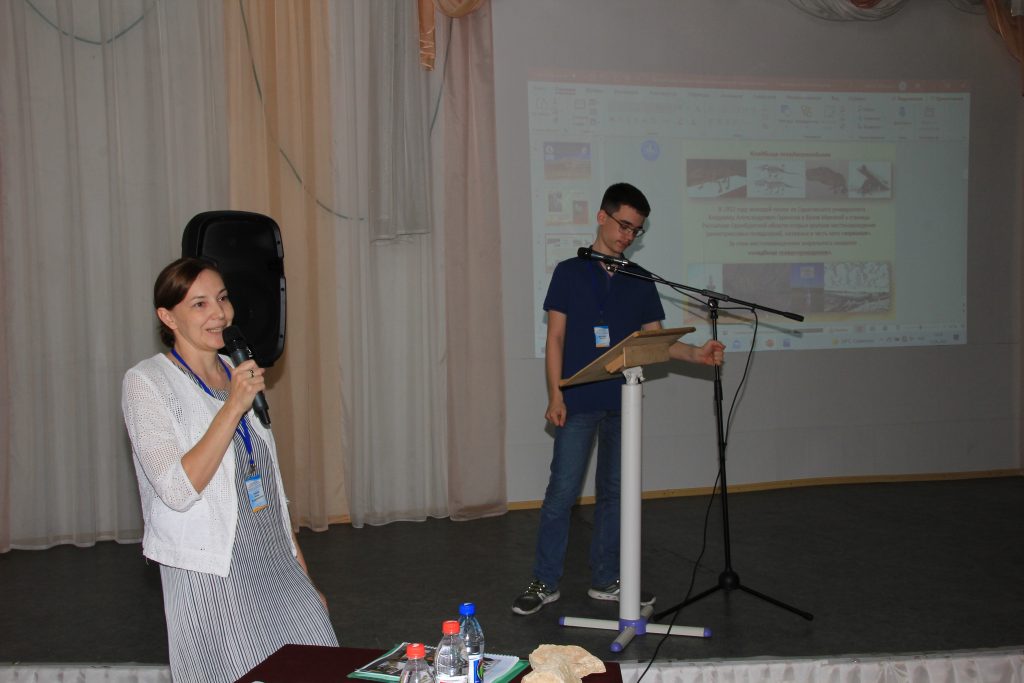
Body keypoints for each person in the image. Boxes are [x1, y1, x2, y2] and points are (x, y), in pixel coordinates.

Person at [512, 183, 725, 616]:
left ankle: (606, 579)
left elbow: (657, 342)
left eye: (636, 231)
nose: (628, 236)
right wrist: (555, 394)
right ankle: (544, 581)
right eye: (624, 226)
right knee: (562, 494)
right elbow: (555, 339)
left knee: (615, 494)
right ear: (602, 217)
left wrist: (697, 354)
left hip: (624, 400)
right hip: (577, 400)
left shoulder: (640, 278)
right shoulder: (569, 272)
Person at [122, 257, 338, 681]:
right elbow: (177, 489)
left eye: (222, 299)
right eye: (199, 304)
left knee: (319, 668)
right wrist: (233, 407)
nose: (219, 313)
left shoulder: (237, 372)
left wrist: (304, 575)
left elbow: (268, 486)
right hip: (213, 574)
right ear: (168, 317)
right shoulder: (147, 382)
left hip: (274, 562)